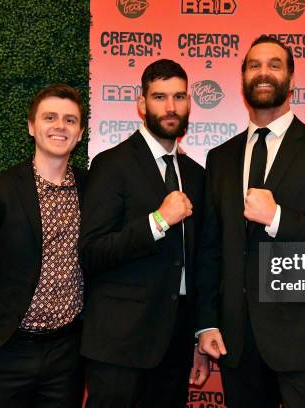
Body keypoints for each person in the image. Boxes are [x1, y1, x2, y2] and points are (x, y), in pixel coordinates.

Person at [195, 35, 305, 407]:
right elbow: (209, 249)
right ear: (243, 79)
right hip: (235, 342)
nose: (263, 72)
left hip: (303, 341)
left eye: (274, 64)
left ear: (292, 79)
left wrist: (278, 219)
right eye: (254, 65)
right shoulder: (220, 157)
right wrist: (206, 322)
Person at [79, 59, 208, 407]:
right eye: (160, 96)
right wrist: (158, 222)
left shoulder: (196, 175)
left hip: (176, 341)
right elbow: (91, 253)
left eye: (179, 97)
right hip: (120, 343)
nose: (170, 107)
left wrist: (198, 337)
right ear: (141, 104)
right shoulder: (111, 165)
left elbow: (198, 265)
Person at [0, 83, 87, 407]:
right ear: (31, 126)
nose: (59, 126)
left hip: (66, 356)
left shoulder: (92, 187)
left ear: (80, 133)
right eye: (49, 117)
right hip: (4, 352)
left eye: (70, 120)